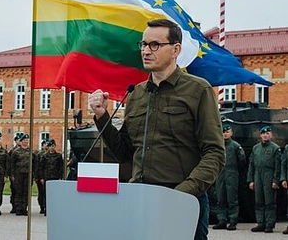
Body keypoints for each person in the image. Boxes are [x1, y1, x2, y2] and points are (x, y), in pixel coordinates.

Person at [88, 19, 225, 240]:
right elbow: (125, 152)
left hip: (182, 200)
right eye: (143, 44)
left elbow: (215, 153)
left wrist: (183, 193)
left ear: (175, 49)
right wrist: (102, 116)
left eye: (154, 45)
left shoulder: (198, 90)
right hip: (139, 200)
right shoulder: (136, 94)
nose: (146, 51)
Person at [247, 125, 280, 233]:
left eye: (267, 133)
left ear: (271, 135)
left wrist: (275, 180)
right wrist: (251, 180)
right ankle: (261, 223)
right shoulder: (256, 148)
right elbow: (251, 164)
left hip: (269, 175)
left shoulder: (275, 148)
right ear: (260, 135)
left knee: (269, 202)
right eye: (263, 134)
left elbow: (278, 166)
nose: (265, 135)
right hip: (258, 175)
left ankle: (269, 224)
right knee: (259, 201)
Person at [212, 124, 245, 231]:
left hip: (232, 173)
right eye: (223, 132)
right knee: (220, 198)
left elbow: (242, 161)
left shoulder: (236, 146)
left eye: (227, 131)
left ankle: (233, 221)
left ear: (231, 133)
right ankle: (221, 220)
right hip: (220, 174)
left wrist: (235, 172)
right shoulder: (218, 146)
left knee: (232, 199)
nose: (225, 134)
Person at [39, 139, 64, 216]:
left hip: (55, 177)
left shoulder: (58, 156)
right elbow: (41, 167)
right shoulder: (44, 156)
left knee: (55, 195)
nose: (52, 148)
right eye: (50, 146)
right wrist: (41, 178)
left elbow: (61, 167)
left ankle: (54, 210)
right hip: (47, 177)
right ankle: (46, 209)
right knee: (46, 194)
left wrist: (61, 177)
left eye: (53, 146)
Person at [10, 133, 32, 216]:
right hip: (18, 174)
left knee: (26, 192)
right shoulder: (16, 152)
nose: (26, 142)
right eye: (24, 140)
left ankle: (24, 208)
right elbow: (12, 164)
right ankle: (18, 208)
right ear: (21, 141)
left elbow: (34, 163)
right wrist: (12, 175)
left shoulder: (31, 151)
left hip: (27, 174)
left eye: (27, 140)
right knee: (19, 191)